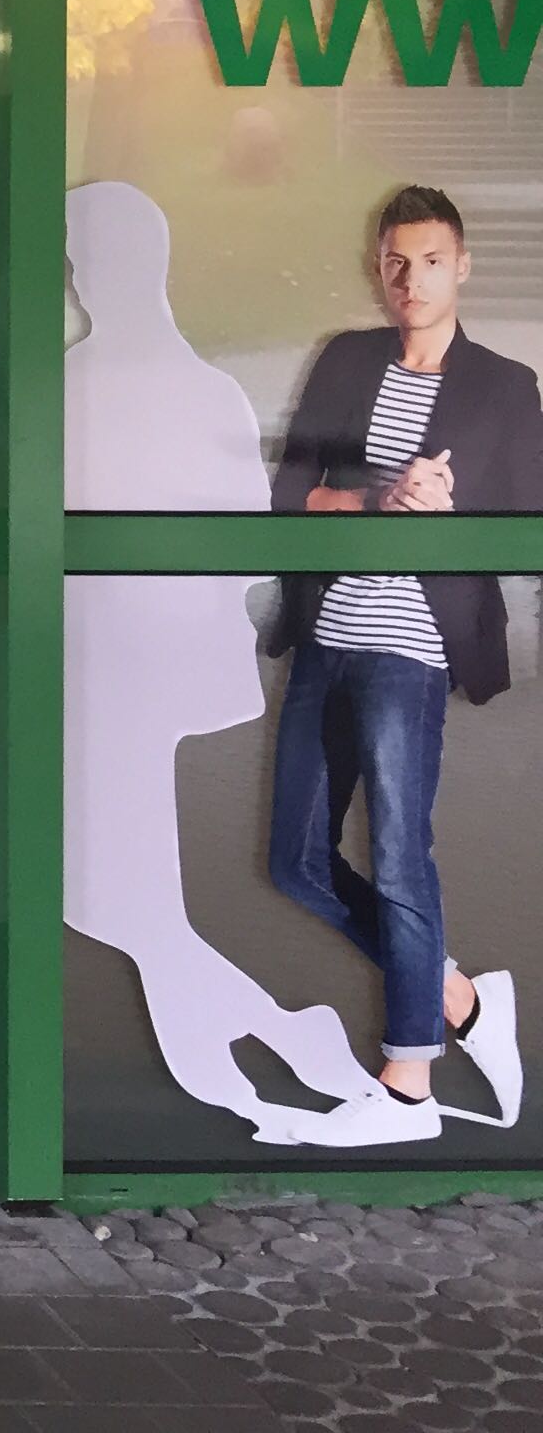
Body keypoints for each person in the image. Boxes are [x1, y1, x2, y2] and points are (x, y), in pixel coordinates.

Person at [63, 181, 404, 1148]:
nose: (78, 275)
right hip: (131, 670)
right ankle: (284, 1044)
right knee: (115, 901)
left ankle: (261, 1066)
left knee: (116, 901)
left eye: (82, 255)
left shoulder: (81, 385)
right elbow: (249, 552)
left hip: (105, 675)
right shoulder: (201, 387)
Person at [267, 183, 535, 1126]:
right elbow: (289, 493)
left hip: (411, 647)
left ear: (461, 266)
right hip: (327, 634)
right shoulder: (347, 361)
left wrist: (454, 514)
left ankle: (408, 1080)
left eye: (428, 260)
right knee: (295, 860)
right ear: (376, 268)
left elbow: (526, 520)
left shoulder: (504, 386)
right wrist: (375, 497)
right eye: (393, 260)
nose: (409, 278)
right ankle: (459, 997)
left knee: (399, 854)